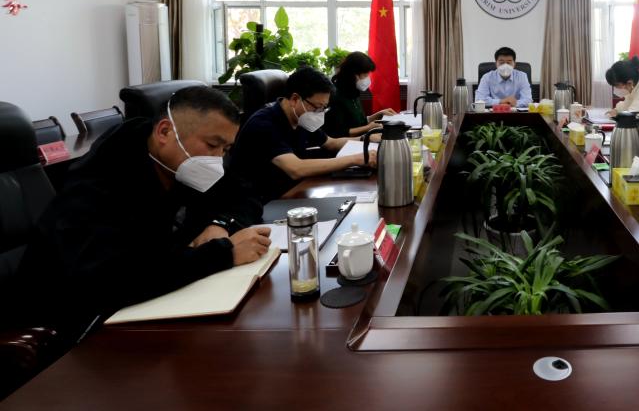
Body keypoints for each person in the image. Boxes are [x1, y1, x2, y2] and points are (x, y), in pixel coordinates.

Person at [10, 87, 272, 340]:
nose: (217, 159)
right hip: (74, 331)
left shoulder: (179, 163)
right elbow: (114, 280)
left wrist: (220, 224)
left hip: (155, 306)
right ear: (165, 131)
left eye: (225, 149)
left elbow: (246, 195)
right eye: (213, 145)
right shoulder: (101, 184)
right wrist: (223, 254)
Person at [226, 66, 378, 204]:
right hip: (259, 202)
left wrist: (367, 138)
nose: (319, 113)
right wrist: (354, 159)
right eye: (317, 107)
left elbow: (331, 143)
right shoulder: (264, 124)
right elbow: (296, 168)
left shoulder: (300, 118)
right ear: (295, 99)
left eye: (323, 109)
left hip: (291, 191)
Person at [324, 51, 396, 138]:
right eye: (365, 75)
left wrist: (379, 114)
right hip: (347, 142)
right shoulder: (336, 96)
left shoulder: (353, 91)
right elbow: (338, 132)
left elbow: (359, 122)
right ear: (353, 75)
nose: (367, 79)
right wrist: (368, 128)